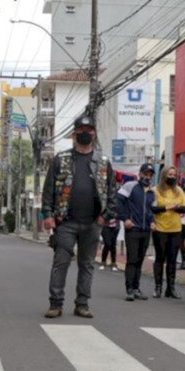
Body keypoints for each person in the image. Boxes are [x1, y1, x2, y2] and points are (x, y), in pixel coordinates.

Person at [41, 114, 117, 319]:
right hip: (65, 222)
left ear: (94, 133)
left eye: (89, 130)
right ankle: (55, 303)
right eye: (81, 131)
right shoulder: (61, 159)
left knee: (87, 264)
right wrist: (47, 214)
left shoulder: (103, 163)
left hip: (93, 223)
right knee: (61, 262)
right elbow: (48, 191)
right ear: (74, 134)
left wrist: (105, 217)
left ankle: (82, 304)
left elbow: (112, 193)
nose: (85, 133)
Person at [116, 163, 155, 302]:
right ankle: (130, 289)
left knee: (139, 260)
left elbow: (151, 210)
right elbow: (118, 202)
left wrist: (152, 221)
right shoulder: (130, 186)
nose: (147, 177)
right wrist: (125, 219)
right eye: (145, 174)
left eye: (150, 175)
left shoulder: (151, 192)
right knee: (132, 259)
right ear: (140, 173)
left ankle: (137, 288)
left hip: (145, 230)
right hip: (132, 228)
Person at [152, 166, 185, 298]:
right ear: (164, 176)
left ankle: (171, 288)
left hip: (176, 229)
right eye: (170, 174)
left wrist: (176, 208)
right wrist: (167, 207)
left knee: (172, 259)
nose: (172, 177)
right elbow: (153, 208)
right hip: (160, 229)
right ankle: (158, 287)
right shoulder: (156, 190)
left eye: (174, 175)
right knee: (160, 258)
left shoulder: (179, 190)